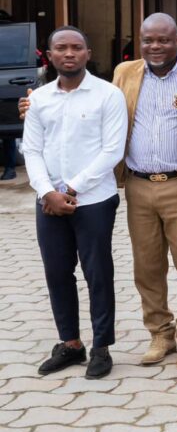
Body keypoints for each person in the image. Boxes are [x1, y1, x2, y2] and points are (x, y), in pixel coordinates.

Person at [23, 27, 126, 379]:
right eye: (61, 48)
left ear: (88, 52)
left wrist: (71, 188)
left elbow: (112, 150)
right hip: (48, 200)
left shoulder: (107, 95)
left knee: (97, 273)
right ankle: (70, 344)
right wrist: (45, 191)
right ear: (49, 55)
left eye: (76, 48)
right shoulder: (39, 99)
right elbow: (32, 150)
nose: (69, 53)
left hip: (94, 198)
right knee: (56, 273)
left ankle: (101, 347)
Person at [116, 14, 177, 369]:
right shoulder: (124, 73)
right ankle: (160, 334)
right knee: (147, 266)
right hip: (138, 185)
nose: (155, 47)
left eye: (163, 40)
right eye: (148, 40)